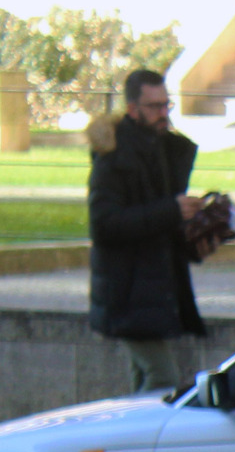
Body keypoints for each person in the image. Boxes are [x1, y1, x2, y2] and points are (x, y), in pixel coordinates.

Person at [88, 70, 206, 393]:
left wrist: (198, 229)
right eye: (154, 106)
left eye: (166, 105)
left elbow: (162, 221)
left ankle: (130, 441)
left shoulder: (164, 150)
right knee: (163, 380)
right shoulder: (113, 156)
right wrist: (172, 210)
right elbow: (103, 224)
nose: (162, 114)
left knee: (143, 379)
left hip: (151, 289)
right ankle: (137, 441)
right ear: (132, 108)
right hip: (126, 290)